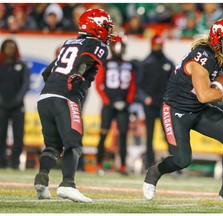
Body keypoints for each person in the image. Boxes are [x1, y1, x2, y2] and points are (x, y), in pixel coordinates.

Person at [142, 18, 223, 204]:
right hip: (176, 110)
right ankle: (154, 172)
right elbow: (204, 95)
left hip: (198, 109)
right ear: (217, 39)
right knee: (182, 160)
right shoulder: (203, 56)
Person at [33, 8, 117, 203]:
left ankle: (42, 180)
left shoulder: (69, 43)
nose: (108, 32)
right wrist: (78, 74)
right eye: (106, 27)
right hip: (66, 96)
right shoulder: (98, 45)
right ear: (96, 26)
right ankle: (68, 185)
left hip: (45, 97)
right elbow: (86, 59)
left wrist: (58, 86)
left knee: (52, 146)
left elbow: (47, 73)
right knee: (74, 143)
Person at [95, 38, 136, 176]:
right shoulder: (105, 63)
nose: (119, 49)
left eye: (121, 47)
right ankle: (99, 164)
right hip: (109, 104)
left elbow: (132, 85)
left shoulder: (128, 65)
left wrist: (128, 101)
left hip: (123, 104)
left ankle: (123, 165)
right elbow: (99, 84)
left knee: (123, 135)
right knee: (103, 134)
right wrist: (107, 101)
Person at [137, 34, 175, 170]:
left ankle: (173, 162)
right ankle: (149, 163)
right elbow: (139, 85)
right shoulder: (146, 63)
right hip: (150, 104)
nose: (157, 48)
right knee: (149, 135)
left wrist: (170, 100)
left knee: (168, 134)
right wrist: (145, 98)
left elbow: (173, 84)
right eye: (155, 45)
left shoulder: (168, 63)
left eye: (159, 45)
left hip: (164, 105)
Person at [0, 39, 30, 169]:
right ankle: (1, 161)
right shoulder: (1, 65)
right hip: (2, 106)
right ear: (3, 49)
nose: (10, 50)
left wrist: (18, 99)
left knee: (18, 136)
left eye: (12, 47)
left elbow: (25, 84)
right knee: (1, 134)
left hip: (18, 106)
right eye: (7, 47)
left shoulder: (22, 65)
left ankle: (15, 162)